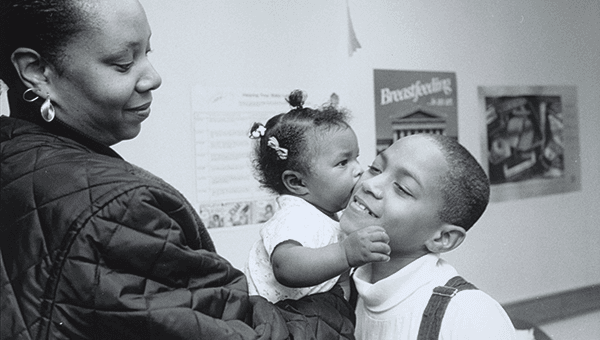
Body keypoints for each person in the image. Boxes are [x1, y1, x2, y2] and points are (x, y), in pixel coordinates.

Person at [0, 1, 355, 339]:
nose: (152, 78)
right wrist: (339, 301)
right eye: (123, 63)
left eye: (147, 53)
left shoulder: (14, 156)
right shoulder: (116, 209)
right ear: (37, 72)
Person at [340, 133, 516, 340]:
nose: (371, 184)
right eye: (375, 168)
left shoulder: (469, 317)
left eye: (402, 189)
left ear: (443, 238)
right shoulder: (343, 287)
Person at [244, 90, 391, 303]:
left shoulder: (327, 214)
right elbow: (285, 266)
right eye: (343, 163)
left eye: (356, 158)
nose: (358, 170)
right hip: (274, 322)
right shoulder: (295, 216)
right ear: (297, 182)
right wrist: (345, 254)